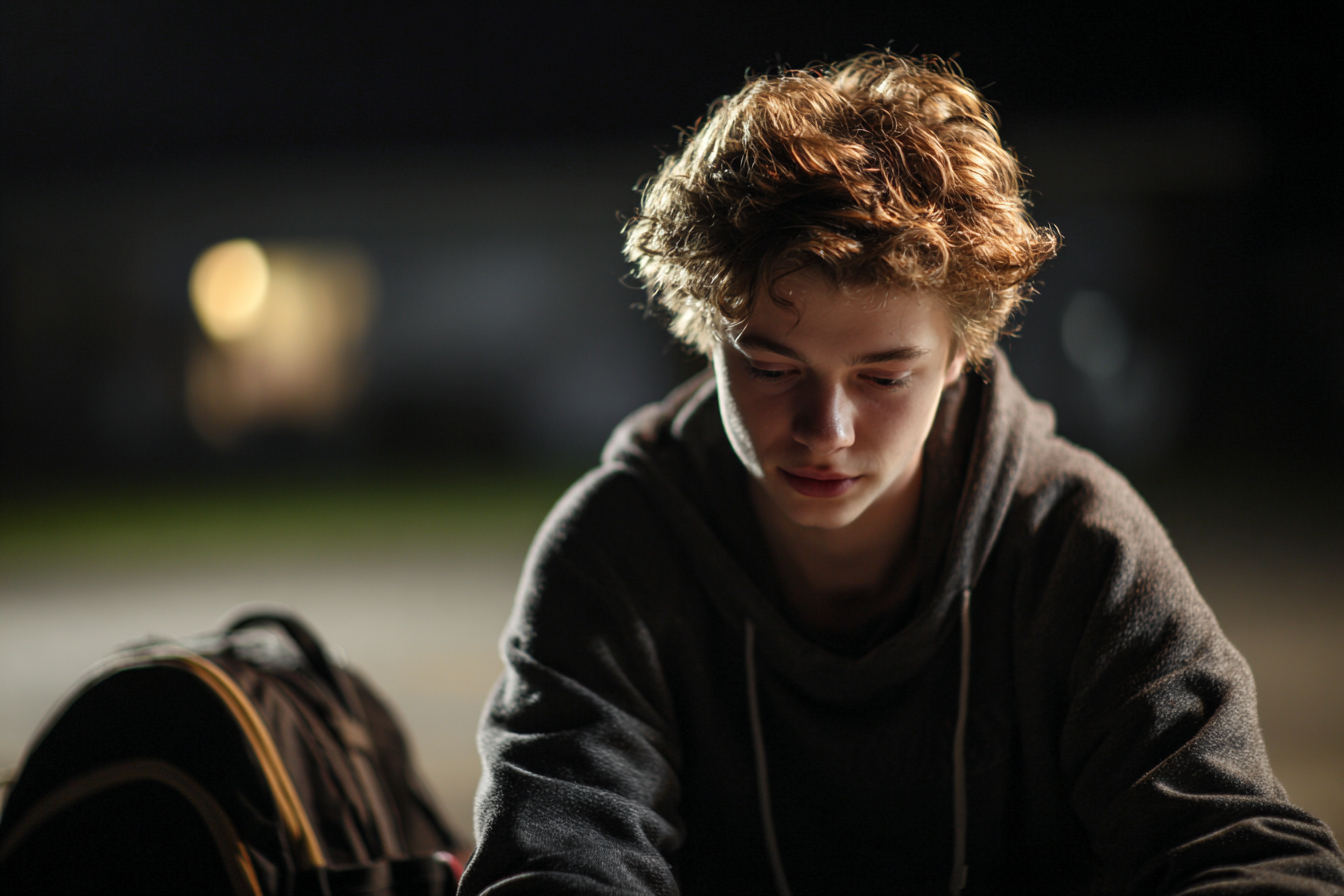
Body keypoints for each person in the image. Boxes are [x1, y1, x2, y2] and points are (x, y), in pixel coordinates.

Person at [458, 53, 1344, 895]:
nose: (824, 431)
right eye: (772, 369)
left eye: (883, 378)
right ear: (705, 334)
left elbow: (1235, 847)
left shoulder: (1078, 545)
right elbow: (557, 855)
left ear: (963, 353)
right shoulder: (613, 552)